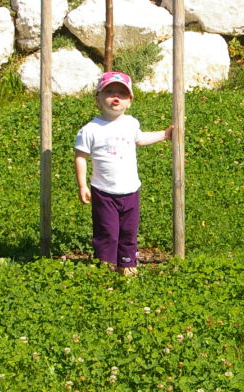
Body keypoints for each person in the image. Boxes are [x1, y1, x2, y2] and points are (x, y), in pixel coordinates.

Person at [74, 71, 172, 274]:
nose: (116, 97)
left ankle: (127, 264)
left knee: (129, 230)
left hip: (130, 190)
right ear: (98, 100)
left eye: (122, 93)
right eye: (109, 92)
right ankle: (106, 265)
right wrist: (82, 185)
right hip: (104, 191)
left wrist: (164, 135)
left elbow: (140, 138)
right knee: (107, 231)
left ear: (129, 102)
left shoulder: (131, 123)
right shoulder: (90, 130)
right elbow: (81, 157)